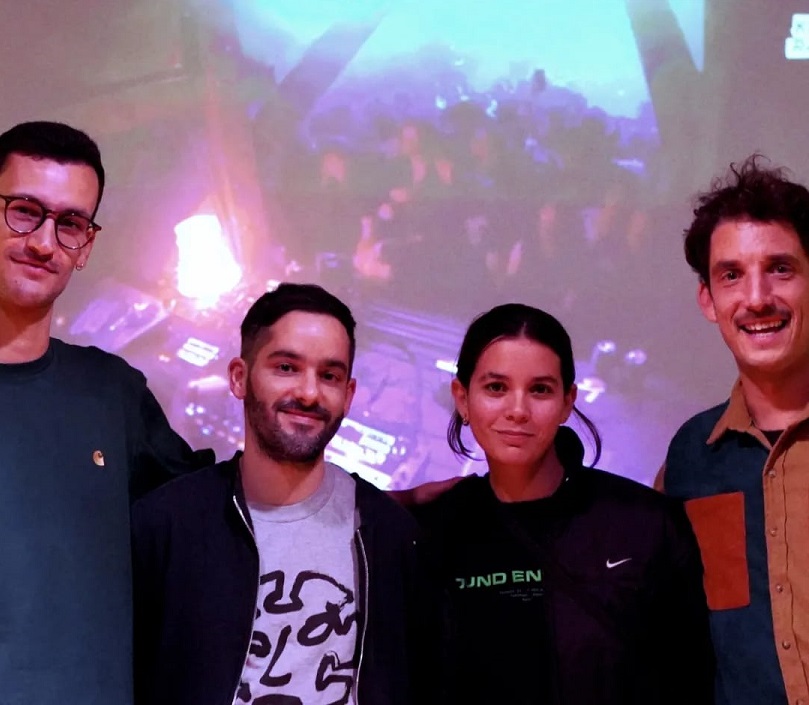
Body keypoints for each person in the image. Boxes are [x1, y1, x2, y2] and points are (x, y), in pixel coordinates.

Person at [131, 283, 437, 705]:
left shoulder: (391, 536)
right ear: (239, 377)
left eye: (329, 376)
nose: (309, 393)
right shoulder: (164, 525)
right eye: (287, 367)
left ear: (348, 395)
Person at [0, 120, 211, 705]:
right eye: (24, 212)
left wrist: (385, 504)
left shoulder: (112, 393)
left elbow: (217, 512)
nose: (43, 243)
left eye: (70, 224)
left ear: (86, 247)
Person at [412, 303, 714, 705]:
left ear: (568, 401)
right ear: (462, 398)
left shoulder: (645, 524)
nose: (517, 411)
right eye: (496, 388)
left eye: (540, 389)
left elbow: (692, 678)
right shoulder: (435, 531)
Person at [658, 155, 809, 705]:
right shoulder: (690, 458)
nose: (757, 297)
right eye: (731, 275)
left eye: (781, 268)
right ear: (708, 299)